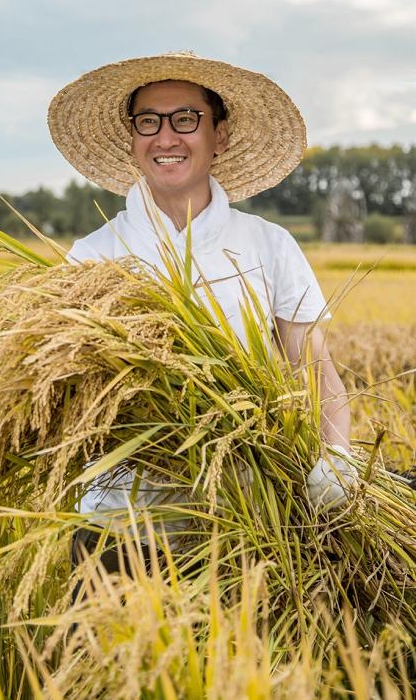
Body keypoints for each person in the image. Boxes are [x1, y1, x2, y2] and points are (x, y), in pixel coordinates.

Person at [47, 51, 359, 562]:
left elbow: (317, 370)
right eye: (148, 121)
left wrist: (338, 457)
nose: (165, 137)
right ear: (132, 138)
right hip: (119, 527)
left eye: (186, 119)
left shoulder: (268, 245)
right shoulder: (93, 255)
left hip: (246, 523)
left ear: (222, 135)